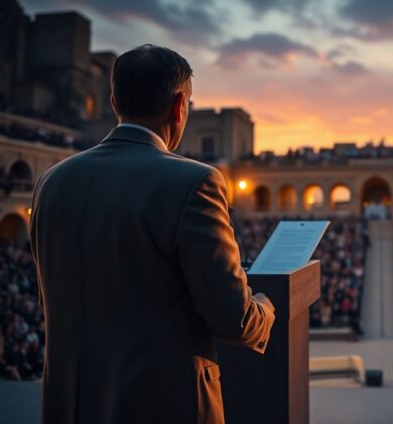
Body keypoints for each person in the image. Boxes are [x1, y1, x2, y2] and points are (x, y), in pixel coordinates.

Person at [30, 45, 275, 424]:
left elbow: (54, 302)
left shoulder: (52, 182)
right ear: (179, 106)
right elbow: (234, 319)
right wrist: (267, 307)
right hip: (163, 407)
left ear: (114, 102)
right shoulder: (195, 182)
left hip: (73, 405)